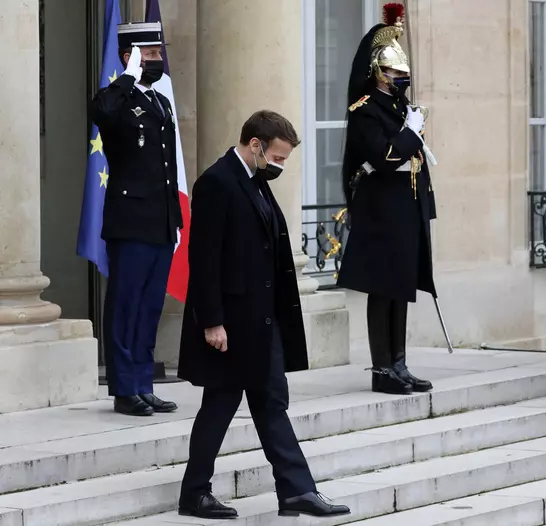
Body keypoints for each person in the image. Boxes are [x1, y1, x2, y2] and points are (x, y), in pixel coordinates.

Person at [176, 110, 351, 519]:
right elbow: (202, 260)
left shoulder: (255, 182)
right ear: (255, 145)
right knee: (219, 406)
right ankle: (195, 492)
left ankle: (295, 491)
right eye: (278, 157)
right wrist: (212, 321)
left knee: (271, 403)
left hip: (261, 323)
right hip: (231, 325)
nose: (280, 166)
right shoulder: (217, 182)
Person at [337, 3, 438, 396]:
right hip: (381, 210)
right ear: (379, 74)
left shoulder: (398, 108)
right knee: (383, 290)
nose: (402, 78)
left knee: (402, 288)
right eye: (396, 73)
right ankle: (382, 369)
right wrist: (412, 132)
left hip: (405, 206)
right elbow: (385, 157)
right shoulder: (365, 111)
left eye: (404, 73)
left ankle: (400, 362)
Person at [89, 22, 181, 417]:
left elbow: (167, 169)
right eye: (151, 54)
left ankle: (144, 383)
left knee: (149, 307)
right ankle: (124, 388)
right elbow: (101, 113)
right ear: (130, 56)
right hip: (131, 221)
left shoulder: (159, 101)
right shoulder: (118, 99)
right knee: (126, 305)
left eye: (159, 53)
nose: (158, 60)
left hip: (159, 220)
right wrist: (126, 76)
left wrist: (175, 219)